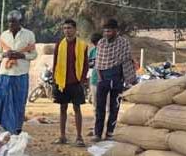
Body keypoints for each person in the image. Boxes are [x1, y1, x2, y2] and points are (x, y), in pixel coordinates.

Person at [0, 11, 37, 135]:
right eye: (9, 22)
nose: (11, 24)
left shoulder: (29, 35)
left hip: (20, 73)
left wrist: (21, 55)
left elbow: (33, 54)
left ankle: (16, 127)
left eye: (14, 22)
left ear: (20, 22)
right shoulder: (4, 35)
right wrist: (6, 54)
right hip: (4, 73)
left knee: (18, 101)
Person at [93, 19, 136, 142]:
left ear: (116, 31)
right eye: (105, 31)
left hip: (117, 79)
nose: (107, 33)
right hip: (103, 80)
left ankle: (110, 132)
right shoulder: (101, 43)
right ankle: (97, 133)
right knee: (99, 108)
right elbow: (99, 62)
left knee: (114, 108)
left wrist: (126, 79)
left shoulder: (123, 43)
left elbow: (127, 60)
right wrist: (100, 78)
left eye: (109, 31)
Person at [52, 19, 89, 147]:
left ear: (75, 29)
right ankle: (62, 136)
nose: (67, 31)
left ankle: (79, 137)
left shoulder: (82, 45)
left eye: (69, 28)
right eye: (65, 28)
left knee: (77, 108)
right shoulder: (59, 45)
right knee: (62, 108)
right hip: (62, 81)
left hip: (76, 82)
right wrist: (54, 80)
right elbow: (55, 63)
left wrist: (82, 80)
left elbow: (85, 65)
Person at [88, 33, 103, 103]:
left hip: (105, 80)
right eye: (94, 43)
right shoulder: (92, 51)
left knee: (106, 104)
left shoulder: (106, 51)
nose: (96, 45)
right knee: (95, 103)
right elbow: (90, 67)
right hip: (94, 80)